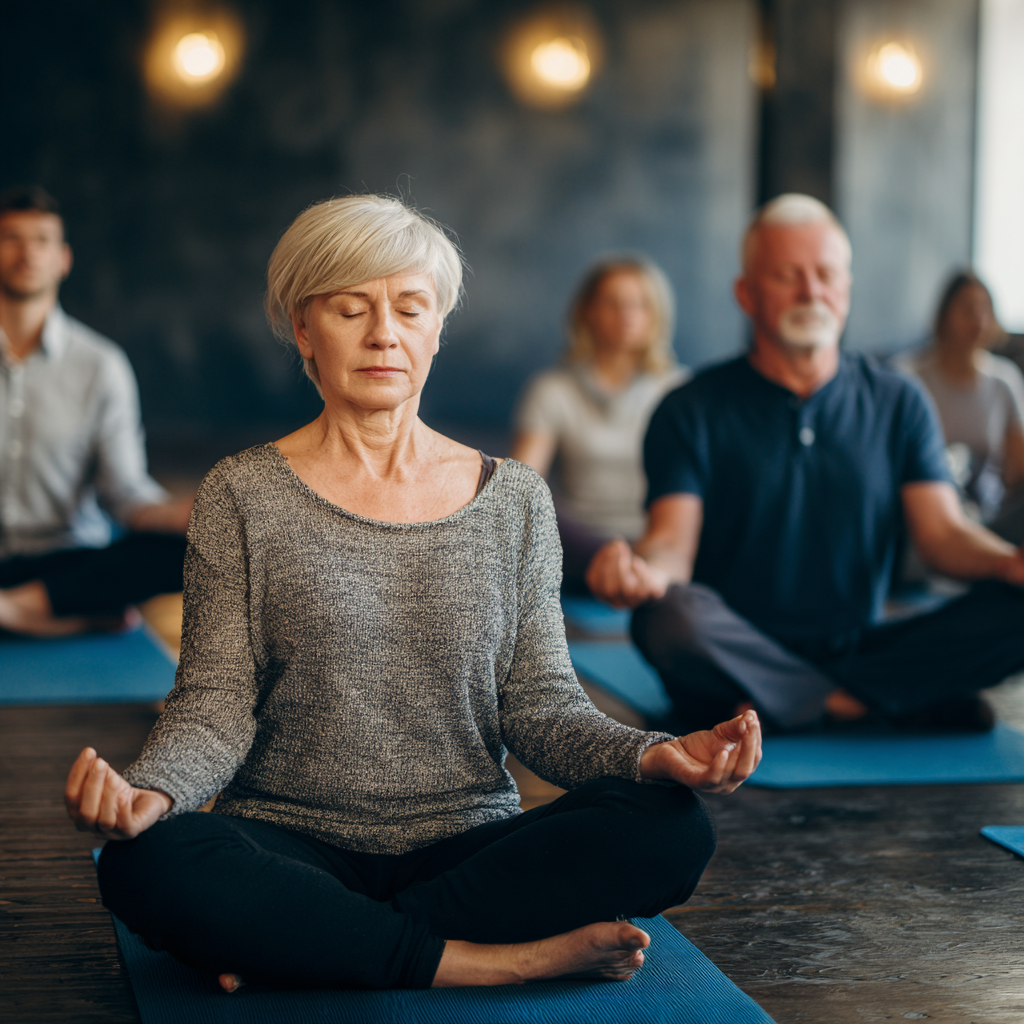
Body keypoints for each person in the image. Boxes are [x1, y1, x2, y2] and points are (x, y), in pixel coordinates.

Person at [64, 195, 762, 993]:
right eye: (350, 309)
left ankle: (306, 944)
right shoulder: (241, 494)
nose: (383, 334)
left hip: (469, 843)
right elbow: (214, 704)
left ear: (437, 329)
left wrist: (654, 754)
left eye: (409, 308)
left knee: (671, 830)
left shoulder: (515, 500)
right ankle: (500, 961)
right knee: (148, 862)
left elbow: (541, 710)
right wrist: (151, 790)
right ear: (303, 330)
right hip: (291, 841)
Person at [586, 194, 1024, 735]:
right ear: (746, 293)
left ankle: (799, 700)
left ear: (846, 288)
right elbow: (673, 542)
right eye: (787, 276)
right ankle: (879, 700)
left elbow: (943, 535)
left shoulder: (900, 401)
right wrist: (644, 573)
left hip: (860, 642)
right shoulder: (690, 408)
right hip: (734, 643)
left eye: (825, 274)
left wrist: (1009, 563)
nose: (811, 292)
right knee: (666, 617)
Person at [0, 186, 192, 636]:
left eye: (42, 240)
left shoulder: (101, 366)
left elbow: (125, 494)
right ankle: (54, 617)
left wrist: (179, 515)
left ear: (63, 259)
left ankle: (19, 610)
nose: (27, 252)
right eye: (10, 238)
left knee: (190, 548)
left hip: (67, 565)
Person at [510, 256, 688, 592]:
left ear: (656, 315)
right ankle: (623, 569)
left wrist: (652, 551)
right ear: (587, 311)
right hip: (577, 544)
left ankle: (635, 572)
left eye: (639, 304)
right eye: (613, 302)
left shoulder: (679, 392)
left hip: (657, 545)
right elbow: (521, 485)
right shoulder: (552, 390)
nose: (627, 314)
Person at [897, 272, 1024, 546]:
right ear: (944, 314)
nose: (978, 319)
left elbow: (1017, 466)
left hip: (988, 516)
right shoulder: (907, 377)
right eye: (968, 309)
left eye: (984, 309)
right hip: (923, 511)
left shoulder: (1005, 380)